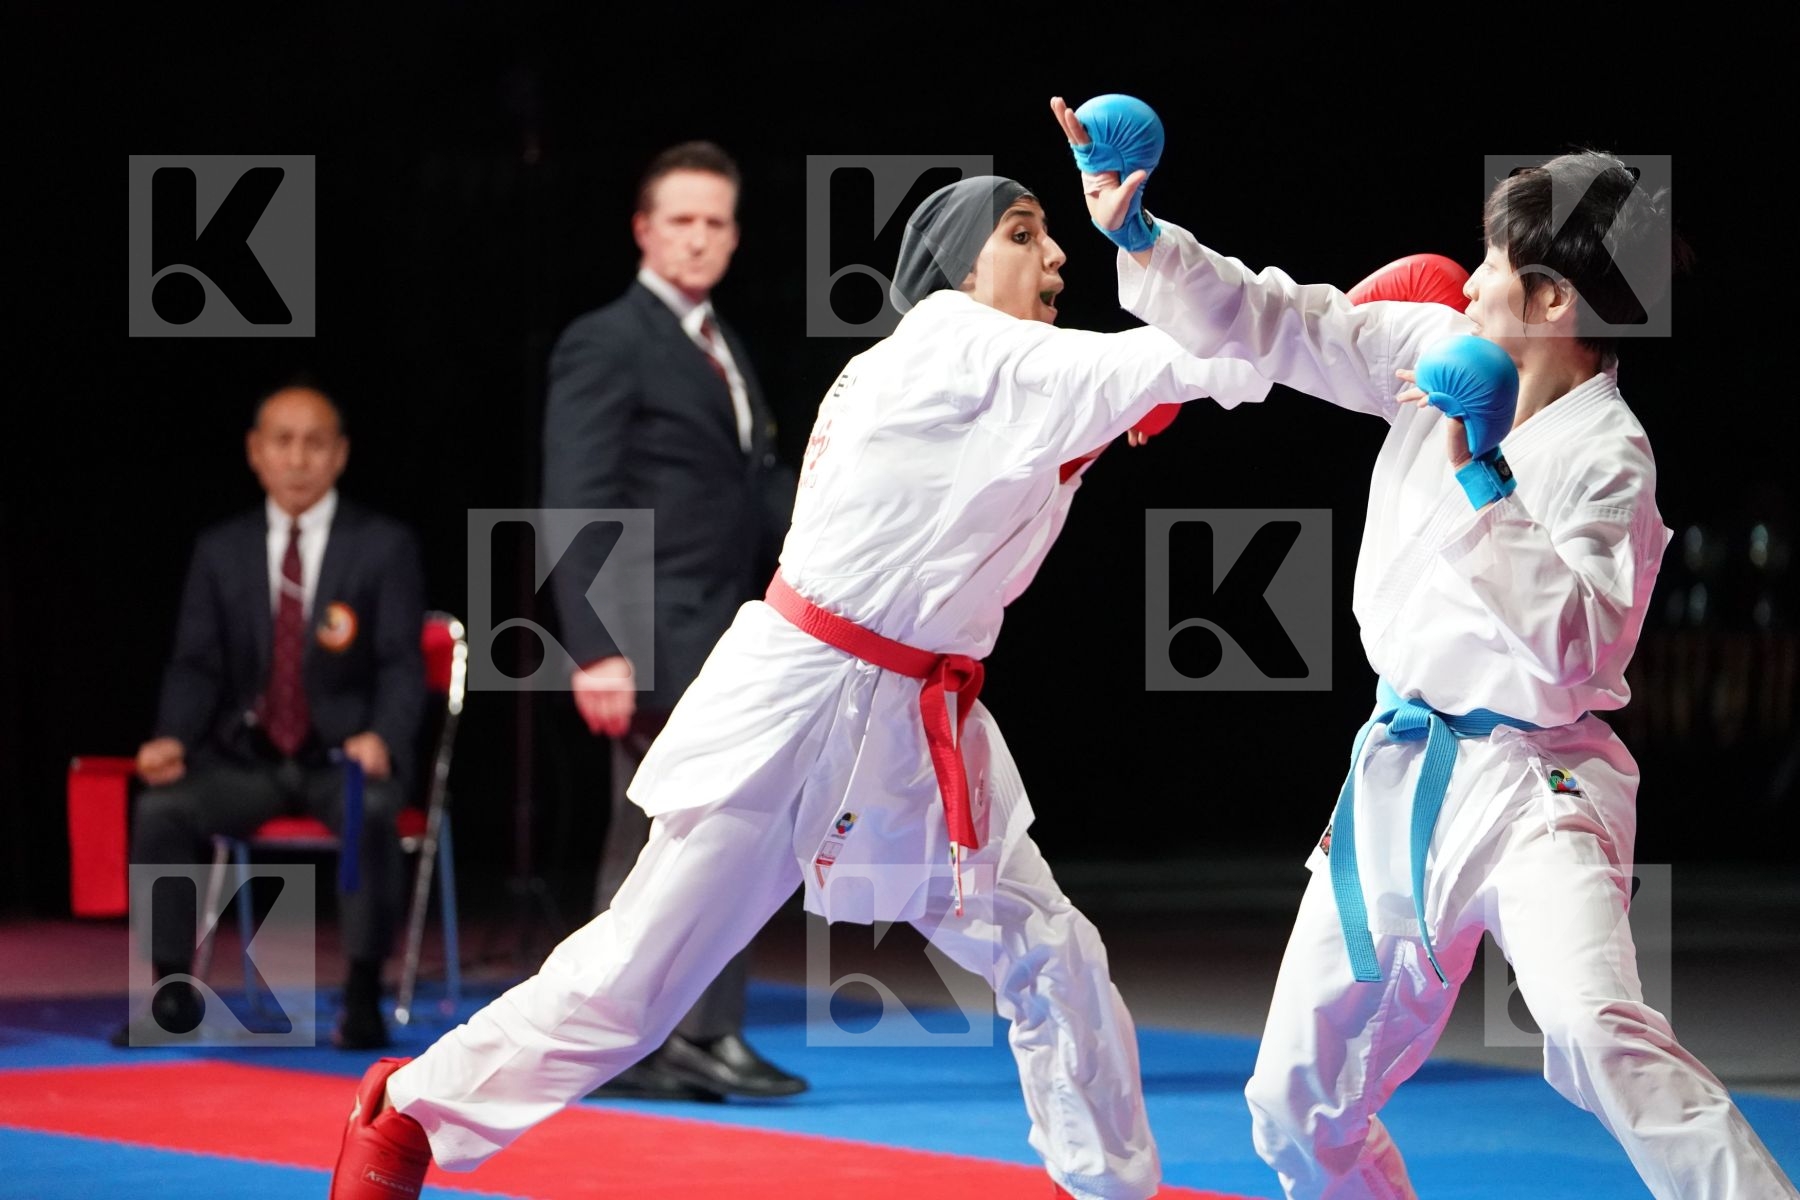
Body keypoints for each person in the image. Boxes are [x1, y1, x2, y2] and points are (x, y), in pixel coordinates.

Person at [328, 174, 1270, 1200]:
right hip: (808, 697)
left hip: (917, 718)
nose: (1055, 258)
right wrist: (1367, 328)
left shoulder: (971, 377)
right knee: (629, 986)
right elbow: (1171, 355)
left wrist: (1170, 379)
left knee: (1053, 950)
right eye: (1022, 234)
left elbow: (1055, 429)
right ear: (956, 269)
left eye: (1053, 237)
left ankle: (1106, 1185)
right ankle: (405, 1117)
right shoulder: (955, 340)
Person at [1052, 95, 1797, 1200]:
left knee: (1596, 1028)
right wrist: (1144, 238)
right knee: (1291, 1105)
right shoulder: (1436, 344)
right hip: (1398, 772)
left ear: (1551, 300)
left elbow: (1573, 659)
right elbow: (1280, 321)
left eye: (1498, 263)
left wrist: (1483, 474)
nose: (1473, 278)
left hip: (1538, 786)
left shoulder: (1611, 459)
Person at [541, 140, 805, 1101]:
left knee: (719, 832)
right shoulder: (607, 340)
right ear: (644, 229)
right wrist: (596, 647)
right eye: (681, 220)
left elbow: (752, 486)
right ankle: (631, 1039)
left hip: (725, 628)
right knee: (661, 834)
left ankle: (691, 1033)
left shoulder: (721, 341)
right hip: (650, 632)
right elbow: (576, 500)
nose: (700, 238)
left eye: (717, 222)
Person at [116, 382, 425, 1052]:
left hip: (340, 758)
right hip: (246, 760)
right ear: (255, 453)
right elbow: (194, 664)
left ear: (339, 455)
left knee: (373, 811)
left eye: (315, 443)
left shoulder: (382, 546)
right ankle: (172, 991)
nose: (298, 458)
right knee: (160, 810)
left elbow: (402, 664)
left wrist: (384, 739)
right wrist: (172, 736)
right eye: (282, 442)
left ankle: (365, 992)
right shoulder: (219, 549)